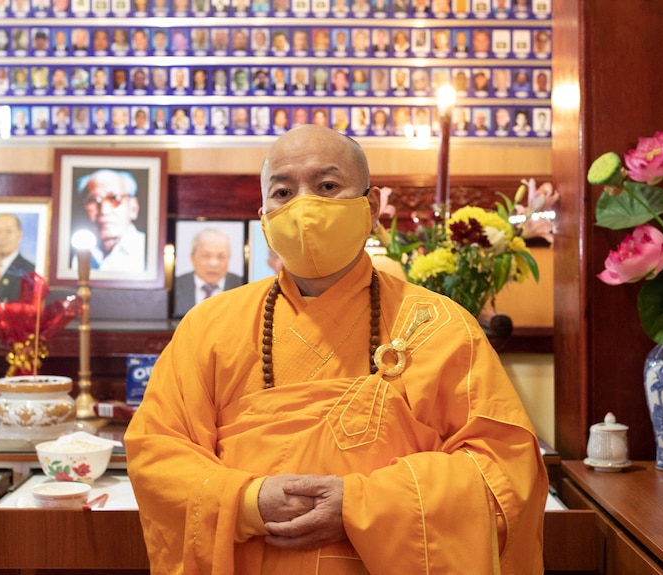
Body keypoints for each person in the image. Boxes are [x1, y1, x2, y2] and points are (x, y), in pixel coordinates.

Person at [125, 125, 547, 574]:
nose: (304, 207)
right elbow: (157, 452)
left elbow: (503, 473)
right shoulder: (208, 327)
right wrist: (246, 501)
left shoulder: (440, 328)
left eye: (327, 186)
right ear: (264, 216)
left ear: (371, 207)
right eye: (283, 192)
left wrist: (364, 505)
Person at [77, 169, 147, 271]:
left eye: (114, 198)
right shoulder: (78, 251)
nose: (104, 211)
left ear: (133, 208)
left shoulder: (148, 250)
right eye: (93, 200)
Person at [171, 227, 243, 317]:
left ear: (229, 258)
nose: (214, 264)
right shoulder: (175, 285)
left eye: (221, 256)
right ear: (192, 258)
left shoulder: (243, 285)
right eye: (205, 256)